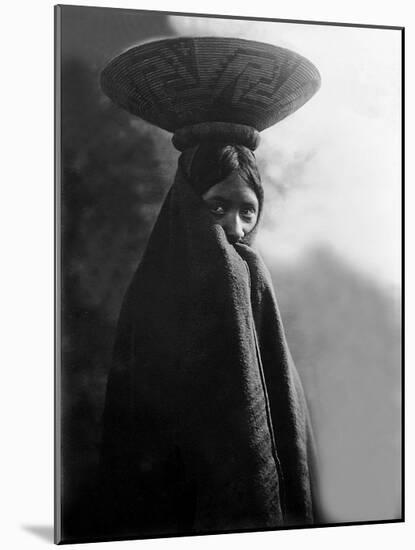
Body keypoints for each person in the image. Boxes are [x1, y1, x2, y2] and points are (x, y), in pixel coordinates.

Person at [98, 135, 321, 538]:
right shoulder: (157, 289)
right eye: (217, 207)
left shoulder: (252, 277)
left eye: (248, 211)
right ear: (187, 204)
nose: (235, 228)